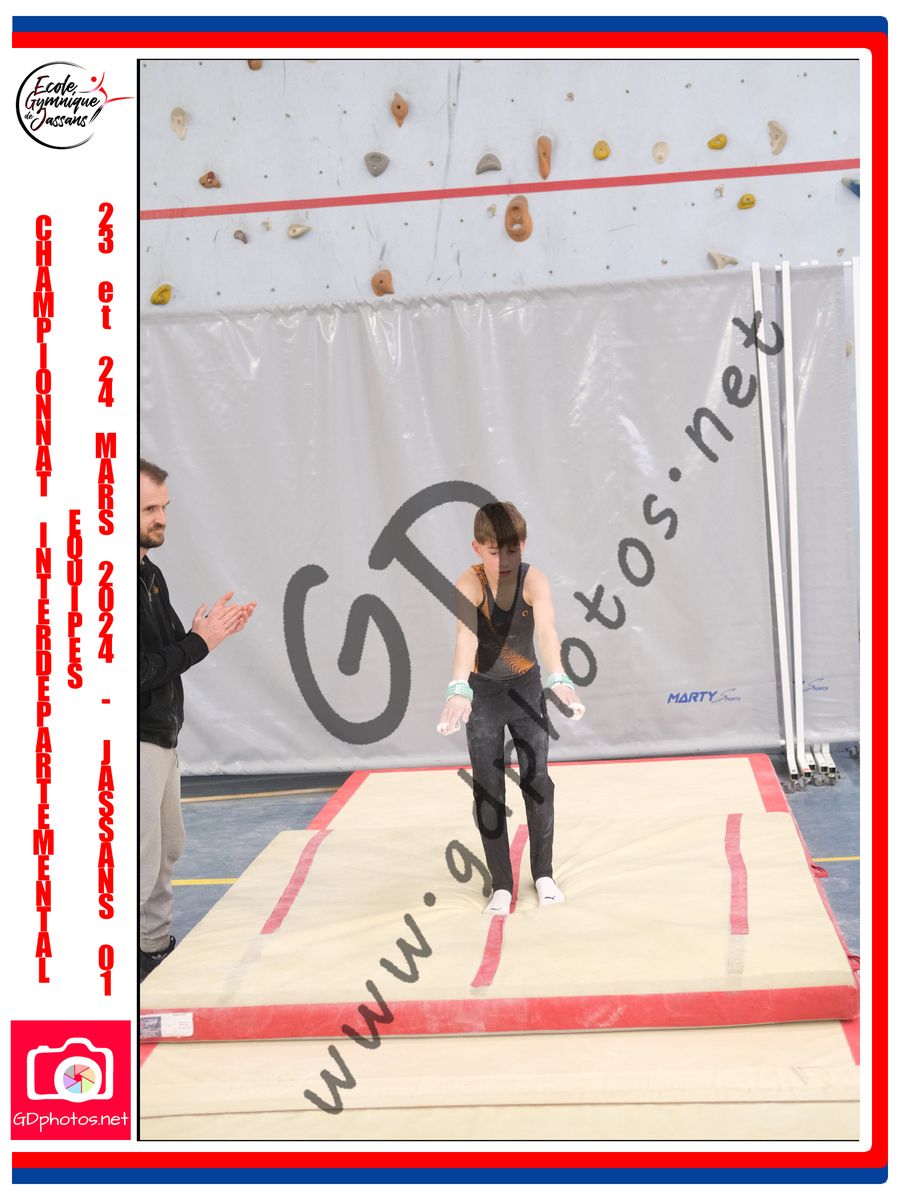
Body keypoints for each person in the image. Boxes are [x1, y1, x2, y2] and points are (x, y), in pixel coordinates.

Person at [139, 458, 256, 982]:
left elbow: (167, 655)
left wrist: (204, 635)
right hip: (136, 738)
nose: (161, 518)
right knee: (140, 859)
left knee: (167, 848)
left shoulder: (149, 574)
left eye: (164, 507)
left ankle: (153, 949)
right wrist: (198, 641)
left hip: (161, 734)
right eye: (149, 509)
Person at [437, 501, 585, 916]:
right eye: (492, 552)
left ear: (523, 544)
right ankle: (502, 884)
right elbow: (466, 638)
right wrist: (458, 688)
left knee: (538, 781)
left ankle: (544, 874)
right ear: (476, 548)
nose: (503, 562)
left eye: (511, 551)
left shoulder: (533, 580)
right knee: (488, 787)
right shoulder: (469, 583)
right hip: (483, 694)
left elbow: (547, 630)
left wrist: (558, 676)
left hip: (525, 690)